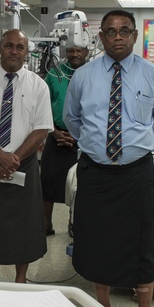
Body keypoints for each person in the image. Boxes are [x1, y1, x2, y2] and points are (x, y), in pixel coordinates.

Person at [64, 9, 154, 307]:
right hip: (95, 171)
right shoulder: (83, 77)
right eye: (110, 31)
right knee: (96, 241)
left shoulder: (153, 76)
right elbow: (73, 119)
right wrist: (99, 147)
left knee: (141, 244)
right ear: (101, 38)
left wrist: (129, 147)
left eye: (124, 30)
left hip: (135, 172)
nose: (118, 36)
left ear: (135, 36)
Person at [0, 29, 53, 283]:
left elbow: (41, 128)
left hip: (25, 163)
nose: (14, 51)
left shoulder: (38, 85)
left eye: (20, 47)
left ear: (26, 52)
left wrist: (14, 158)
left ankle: (21, 279)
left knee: (26, 225)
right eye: (9, 45)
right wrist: (0, 155)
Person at [42, 43, 89, 236]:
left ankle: (74, 223)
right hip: (56, 134)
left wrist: (79, 134)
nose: (75, 54)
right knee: (48, 180)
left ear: (87, 51)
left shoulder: (93, 74)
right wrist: (53, 131)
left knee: (80, 184)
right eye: (70, 50)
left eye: (79, 50)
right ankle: (45, 224)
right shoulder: (54, 74)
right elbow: (42, 104)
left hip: (84, 137)